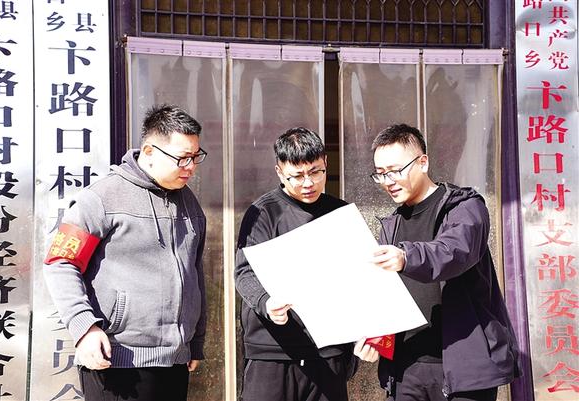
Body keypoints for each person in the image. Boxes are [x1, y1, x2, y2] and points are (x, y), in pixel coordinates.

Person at [43, 104, 207, 401]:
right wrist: (85, 328)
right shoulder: (101, 198)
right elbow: (60, 262)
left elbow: (194, 273)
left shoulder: (190, 204)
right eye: (182, 158)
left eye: (196, 157)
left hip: (175, 362)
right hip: (117, 361)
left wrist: (195, 342)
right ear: (149, 151)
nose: (191, 167)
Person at [354, 124, 521, 401]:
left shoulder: (465, 207)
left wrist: (406, 256)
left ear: (423, 162)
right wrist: (374, 339)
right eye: (380, 174)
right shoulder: (392, 225)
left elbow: (452, 252)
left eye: (395, 170)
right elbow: (386, 296)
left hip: (464, 370)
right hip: (405, 369)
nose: (388, 181)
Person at [235, 127, 355, 401]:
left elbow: (359, 278)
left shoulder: (341, 213)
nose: (308, 183)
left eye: (315, 172)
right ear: (279, 172)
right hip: (272, 351)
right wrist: (266, 303)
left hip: (328, 350)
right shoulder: (263, 212)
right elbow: (244, 272)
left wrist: (360, 339)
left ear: (326, 163)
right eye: (297, 176)